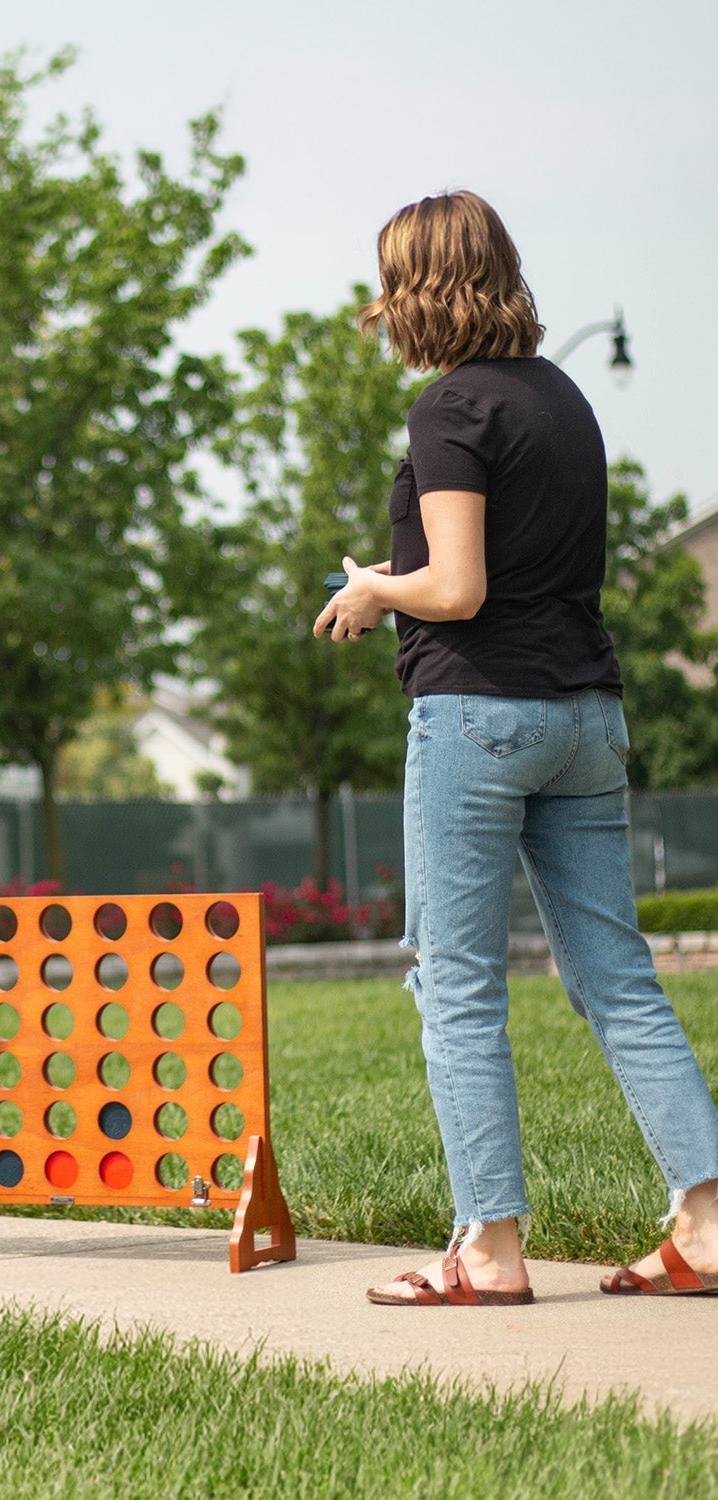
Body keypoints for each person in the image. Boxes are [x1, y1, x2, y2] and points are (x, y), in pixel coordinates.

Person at [315, 192, 718, 1305]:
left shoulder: (450, 409)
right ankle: (711, 1219)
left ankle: (488, 1254)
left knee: (456, 985)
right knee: (618, 978)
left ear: (419, 291)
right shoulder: (562, 397)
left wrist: (368, 591)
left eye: (391, 285)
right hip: (585, 716)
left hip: (479, 716)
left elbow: (457, 587)